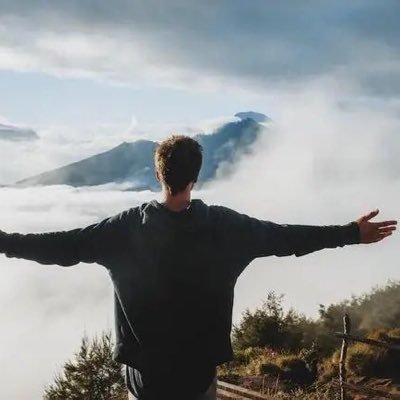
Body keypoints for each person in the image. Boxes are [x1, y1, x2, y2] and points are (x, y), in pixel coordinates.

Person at [0, 135, 397, 400]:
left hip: (147, 379)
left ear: (158, 173)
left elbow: (59, 246)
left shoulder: (120, 232)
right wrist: (351, 233)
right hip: (197, 377)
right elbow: (288, 238)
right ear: (195, 177)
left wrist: (4, 242)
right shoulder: (228, 228)